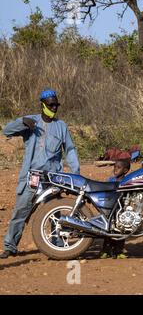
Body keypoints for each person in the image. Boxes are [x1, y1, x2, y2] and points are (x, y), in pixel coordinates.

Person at [0, 89, 80, 259]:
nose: (54, 108)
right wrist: (21, 122)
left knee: (54, 212)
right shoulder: (31, 122)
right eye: (51, 105)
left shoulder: (61, 126)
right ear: (43, 105)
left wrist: (75, 173)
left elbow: (70, 150)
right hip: (32, 177)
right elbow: (6, 131)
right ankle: (10, 246)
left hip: (53, 178)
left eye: (56, 105)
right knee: (21, 212)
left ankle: (56, 245)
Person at [100, 159, 130, 259]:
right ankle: (106, 251)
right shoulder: (110, 180)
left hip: (121, 209)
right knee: (108, 230)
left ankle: (119, 251)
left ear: (125, 170)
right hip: (110, 209)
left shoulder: (127, 181)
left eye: (118, 168)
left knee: (121, 230)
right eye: (114, 167)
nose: (115, 170)